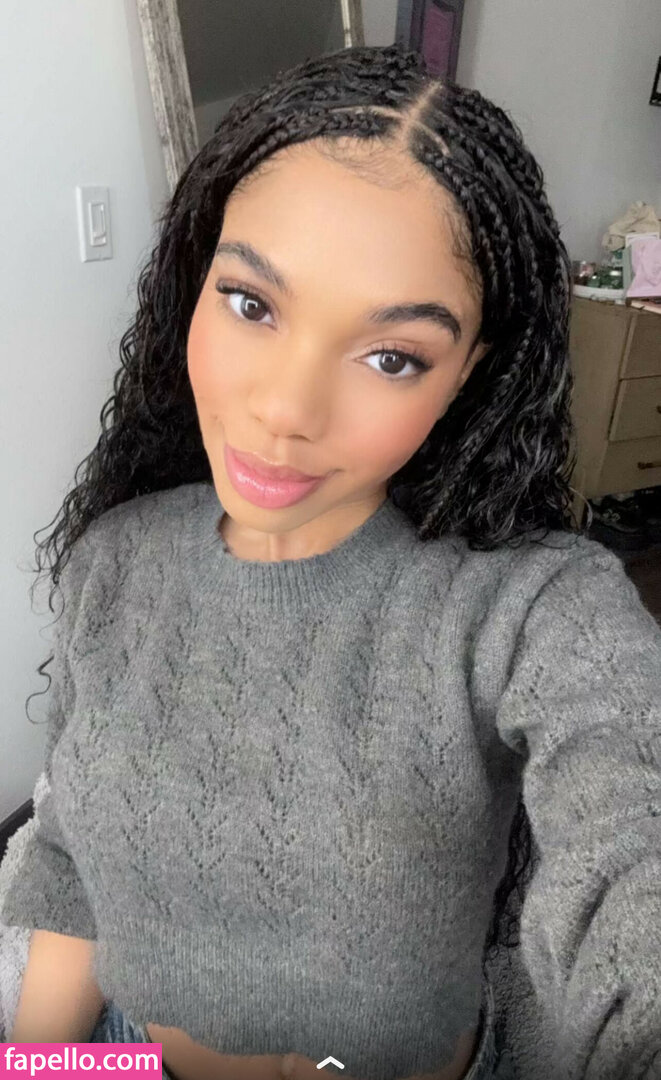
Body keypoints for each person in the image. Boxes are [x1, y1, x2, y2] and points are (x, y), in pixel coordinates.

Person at [1, 41, 660, 1080]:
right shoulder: (116, 562)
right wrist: (38, 1070)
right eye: (251, 304)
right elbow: (74, 861)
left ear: (467, 373)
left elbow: (632, 848)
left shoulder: (533, 606)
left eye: (391, 356)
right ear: (195, 279)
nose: (285, 411)